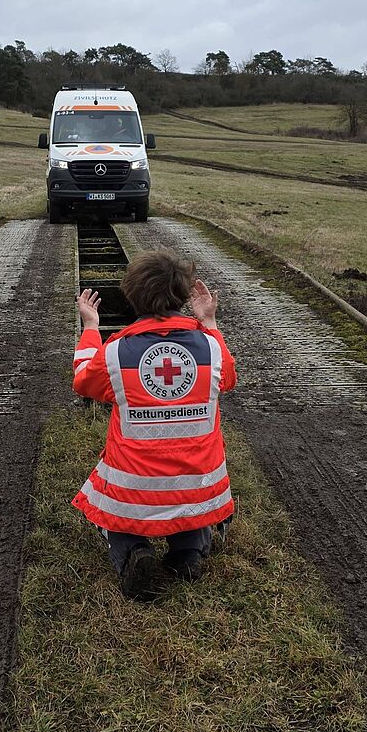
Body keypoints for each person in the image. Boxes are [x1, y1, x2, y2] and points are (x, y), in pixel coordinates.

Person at [72, 249, 237, 601]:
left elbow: (84, 381)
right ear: (183, 296)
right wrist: (209, 322)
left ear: (131, 296)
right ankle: (188, 555)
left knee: (110, 508)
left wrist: (90, 328)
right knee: (192, 512)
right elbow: (229, 378)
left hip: (134, 487)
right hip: (199, 483)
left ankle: (134, 553)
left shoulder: (116, 352)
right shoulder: (211, 348)